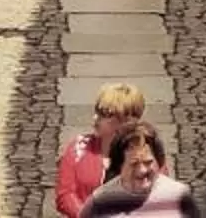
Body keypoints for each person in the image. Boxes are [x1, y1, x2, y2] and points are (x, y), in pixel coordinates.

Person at [54, 83, 144, 218]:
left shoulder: (148, 155)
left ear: (125, 121)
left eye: (104, 115)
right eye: (96, 112)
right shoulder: (78, 148)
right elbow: (65, 195)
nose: (95, 118)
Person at [79, 122, 189, 216]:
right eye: (134, 164)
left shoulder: (179, 197)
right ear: (119, 166)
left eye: (148, 162)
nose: (142, 170)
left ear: (158, 161)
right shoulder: (100, 202)